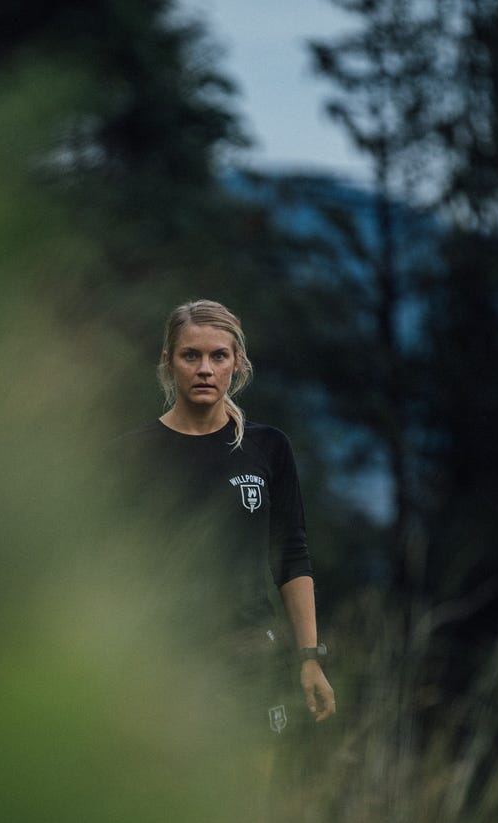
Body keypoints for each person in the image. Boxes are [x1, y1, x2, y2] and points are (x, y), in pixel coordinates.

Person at [116, 299, 336, 744]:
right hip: (161, 665)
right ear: (167, 362)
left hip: (252, 659)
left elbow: (291, 557)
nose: (204, 369)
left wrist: (309, 657)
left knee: (252, 808)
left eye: (219, 356)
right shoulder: (130, 453)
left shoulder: (268, 448)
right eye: (190, 355)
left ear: (237, 364)